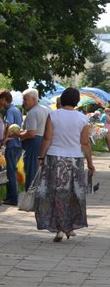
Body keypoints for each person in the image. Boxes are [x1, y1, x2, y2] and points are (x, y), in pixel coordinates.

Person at [35, 87, 95, 242]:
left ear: (62, 99)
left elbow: (47, 139)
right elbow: (85, 143)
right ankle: (68, 226)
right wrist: (90, 163)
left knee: (54, 193)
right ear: (76, 101)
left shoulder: (53, 115)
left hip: (54, 159)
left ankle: (59, 228)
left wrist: (41, 158)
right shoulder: (82, 118)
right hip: (75, 160)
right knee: (73, 194)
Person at [19, 88, 50, 190]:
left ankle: (30, 195)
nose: (24, 102)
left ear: (33, 99)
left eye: (25, 99)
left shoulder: (32, 112)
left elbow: (31, 133)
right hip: (44, 141)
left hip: (34, 143)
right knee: (41, 172)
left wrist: (17, 135)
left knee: (31, 170)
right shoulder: (45, 109)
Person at [0, 89, 23, 206]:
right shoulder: (17, 110)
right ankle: (10, 196)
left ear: (4, 99)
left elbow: (9, 125)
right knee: (13, 170)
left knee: (11, 172)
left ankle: (13, 198)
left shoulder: (9, 111)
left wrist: (5, 140)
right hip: (18, 144)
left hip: (12, 145)